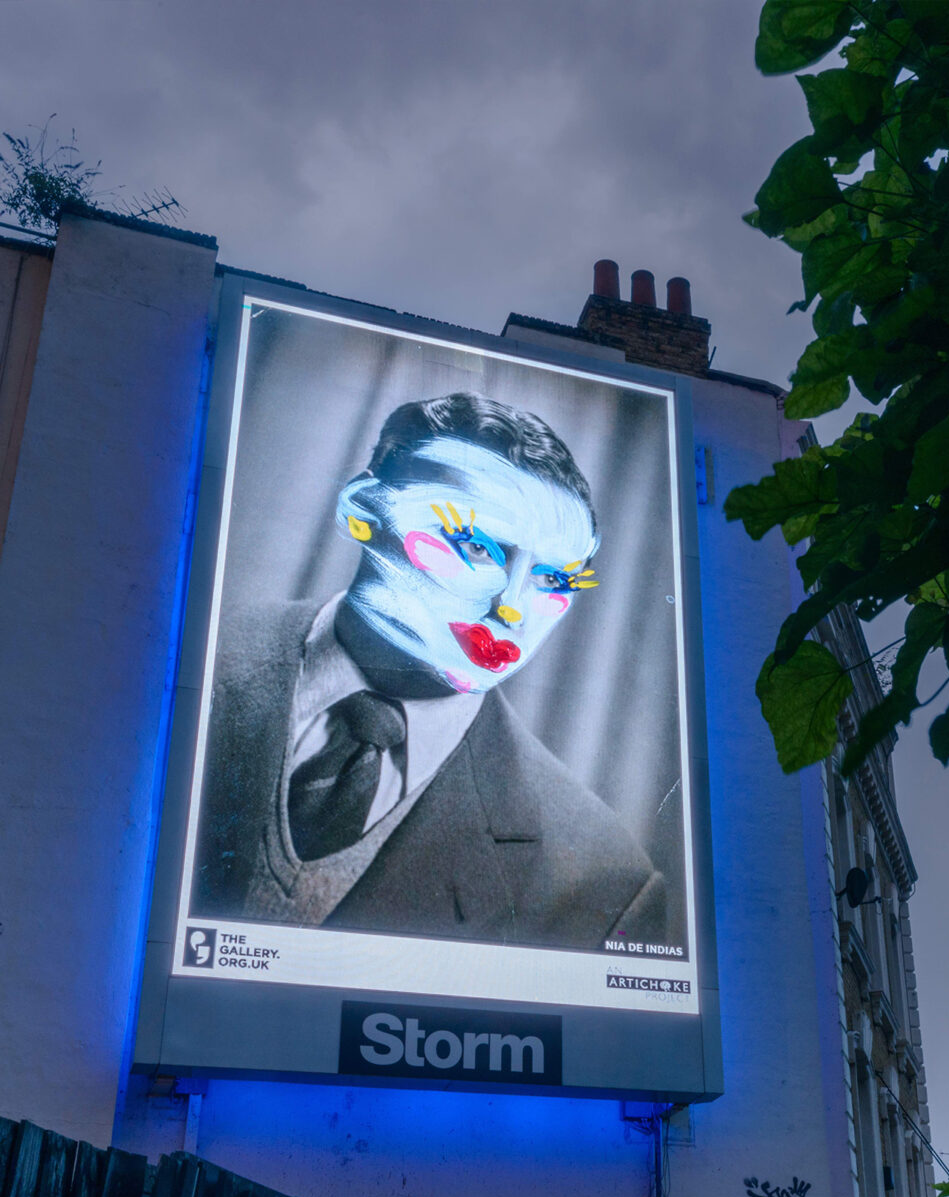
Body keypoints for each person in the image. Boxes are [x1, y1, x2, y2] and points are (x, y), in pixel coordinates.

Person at [191, 392, 665, 950]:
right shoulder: (190, 665)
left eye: (554, 581)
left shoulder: (600, 879)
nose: (512, 608)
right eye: (476, 547)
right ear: (364, 512)